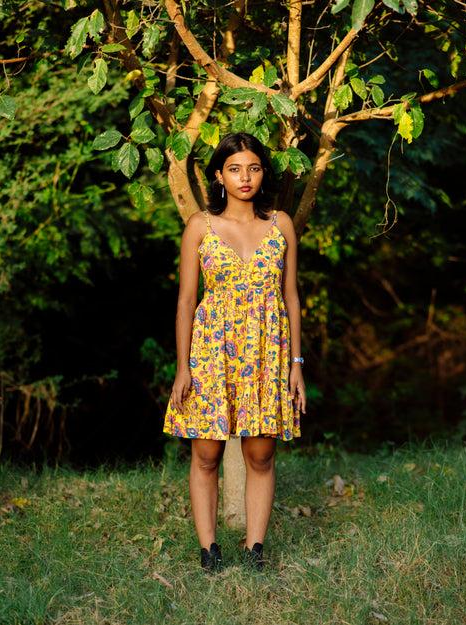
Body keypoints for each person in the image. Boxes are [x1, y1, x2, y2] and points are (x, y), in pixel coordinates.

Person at [162, 131, 306, 573]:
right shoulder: (200, 227)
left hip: (267, 351)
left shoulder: (281, 224)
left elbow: (292, 296)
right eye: (235, 169)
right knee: (206, 452)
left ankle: (255, 547)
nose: (245, 177)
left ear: (264, 173)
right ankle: (209, 550)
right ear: (220, 176)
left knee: (260, 454)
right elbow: (186, 301)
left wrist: (296, 365)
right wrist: (183, 367)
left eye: (254, 167)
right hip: (211, 353)